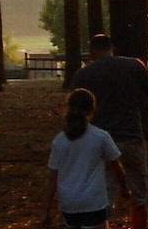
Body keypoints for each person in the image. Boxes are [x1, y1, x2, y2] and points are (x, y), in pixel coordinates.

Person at [74, 34, 148, 229]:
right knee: (138, 197)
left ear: (92, 53)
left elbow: (74, 106)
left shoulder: (84, 74)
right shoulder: (134, 66)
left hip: (102, 143)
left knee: (103, 197)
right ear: (112, 47)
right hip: (132, 137)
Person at [44, 89, 129, 229]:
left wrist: (45, 210)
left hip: (68, 203)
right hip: (93, 201)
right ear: (92, 109)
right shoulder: (100, 137)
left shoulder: (59, 141)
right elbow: (117, 166)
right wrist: (124, 189)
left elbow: (53, 178)